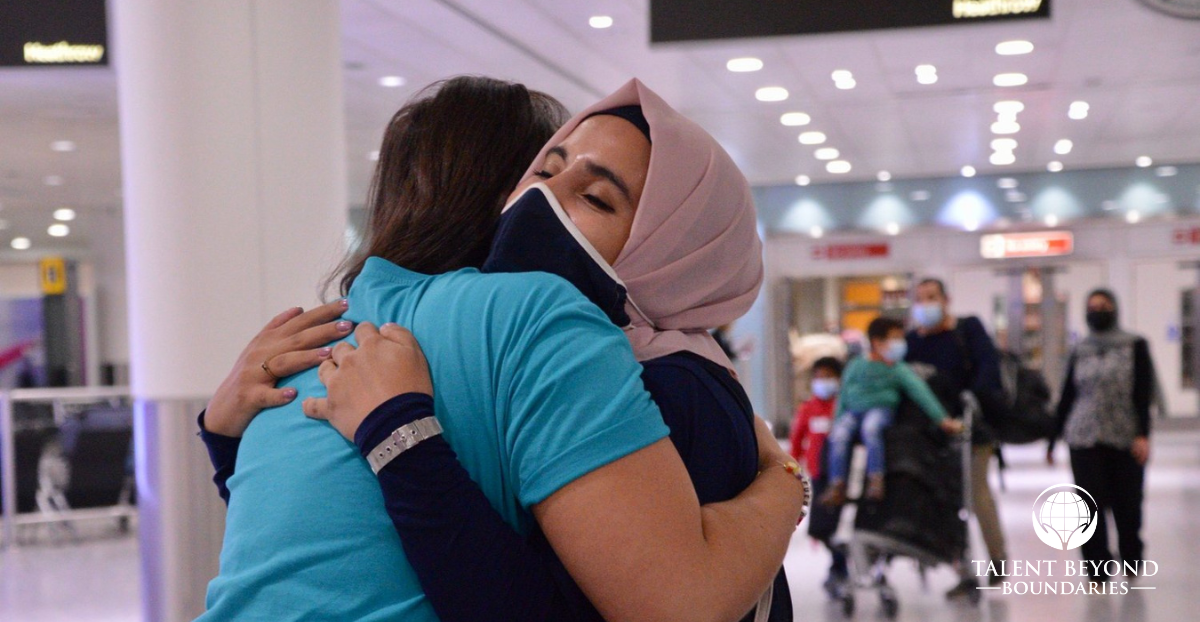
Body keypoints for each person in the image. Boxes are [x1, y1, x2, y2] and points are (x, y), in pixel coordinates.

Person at [198, 76, 805, 622]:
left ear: (677, 247)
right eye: (543, 172)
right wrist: (785, 487)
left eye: (595, 198)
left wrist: (230, 439)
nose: (541, 202)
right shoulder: (513, 320)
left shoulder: (336, 332)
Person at [905, 277, 1009, 595]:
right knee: (945, 501)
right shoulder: (913, 341)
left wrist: (972, 397)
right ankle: (963, 569)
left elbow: (988, 366)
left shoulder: (968, 329)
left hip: (972, 428)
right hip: (934, 435)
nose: (926, 304)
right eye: (920, 299)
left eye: (932, 297)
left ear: (946, 299)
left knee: (976, 494)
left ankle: (998, 560)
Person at [1050, 289, 1154, 578]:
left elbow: (1143, 392)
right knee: (1089, 504)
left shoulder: (1135, 346)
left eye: (1103, 306)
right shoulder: (1080, 349)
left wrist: (1143, 434)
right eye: (1092, 307)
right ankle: (1096, 568)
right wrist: (1052, 438)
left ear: (1115, 309)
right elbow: (1067, 395)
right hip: (1083, 435)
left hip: (1125, 434)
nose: (1097, 312)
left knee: (1128, 502)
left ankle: (1131, 557)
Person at [819, 316, 961, 506]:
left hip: (879, 410)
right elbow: (843, 395)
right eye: (895, 338)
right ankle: (837, 484)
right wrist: (836, 421)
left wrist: (942, 419)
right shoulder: (856, 365)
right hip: (853, 412)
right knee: (839, 435)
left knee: (871, 429)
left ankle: (875, 479)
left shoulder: (898, 369)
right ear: (877, 342)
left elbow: (921, 392)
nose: (900, 344)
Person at [788, 355, 848, 596]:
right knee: (822, 527)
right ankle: (839, 564)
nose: (822, 382)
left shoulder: (844, 407)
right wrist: (792, 469)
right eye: (818, 377)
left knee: (842, 525)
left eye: (828, 377)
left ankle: (840, 567)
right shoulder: (808, 408)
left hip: (842, 476)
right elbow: (797, 441)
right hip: (819, 475)